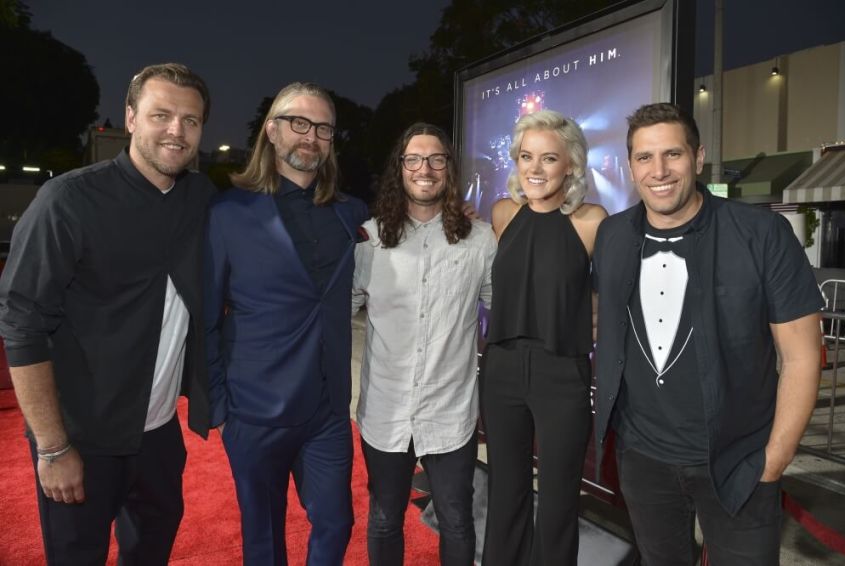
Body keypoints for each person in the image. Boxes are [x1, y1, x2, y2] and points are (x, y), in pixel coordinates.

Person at [0, 63, 214, 565]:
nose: (176, 131)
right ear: (131, 117)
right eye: (161, 114)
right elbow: (21, 323)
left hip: (160, 436)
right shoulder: (67, 200)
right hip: (82, 440)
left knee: (151, 553)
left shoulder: (201, 198)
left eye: (191, 120)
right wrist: (52, 448)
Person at [593, 102, 823, 565]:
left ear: (698, 159)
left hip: (740, 460)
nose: (659, 170)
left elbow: (802, 357)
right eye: (644, 157)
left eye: (672, 154)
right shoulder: (612, 235)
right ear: (630, 166)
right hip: (643, 459)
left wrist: (773, 461)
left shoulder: (761, 234)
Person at [205, 82, 368, 565]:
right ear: (272, 131)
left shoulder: (350, 212)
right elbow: (207, 315)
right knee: (264, 537)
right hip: (254, 410)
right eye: (299, 123)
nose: (311, 136)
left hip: (329, 410)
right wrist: (220, 404)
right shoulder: (227, 211)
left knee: (337, 523)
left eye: (323, 128)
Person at [352, 123, 496, 565]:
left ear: (449, 169)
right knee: (382, 519)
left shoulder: (481, 239)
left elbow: (510, 312)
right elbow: (335, 310)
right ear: (400, 169)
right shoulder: (369, 240)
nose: (425, 169)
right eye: (413, 159)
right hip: (384, 411)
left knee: (456, 521)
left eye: (436, 159)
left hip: (450, 413)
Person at [480, 110, 607, 565]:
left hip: (562, 373)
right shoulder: (502, 213)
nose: (534, 169)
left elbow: (608, 296)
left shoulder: (592, 221)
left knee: (557, 502)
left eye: (548, 158)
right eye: (525, 157)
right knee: (506, 494)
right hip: (502, 370)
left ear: (571, 164)